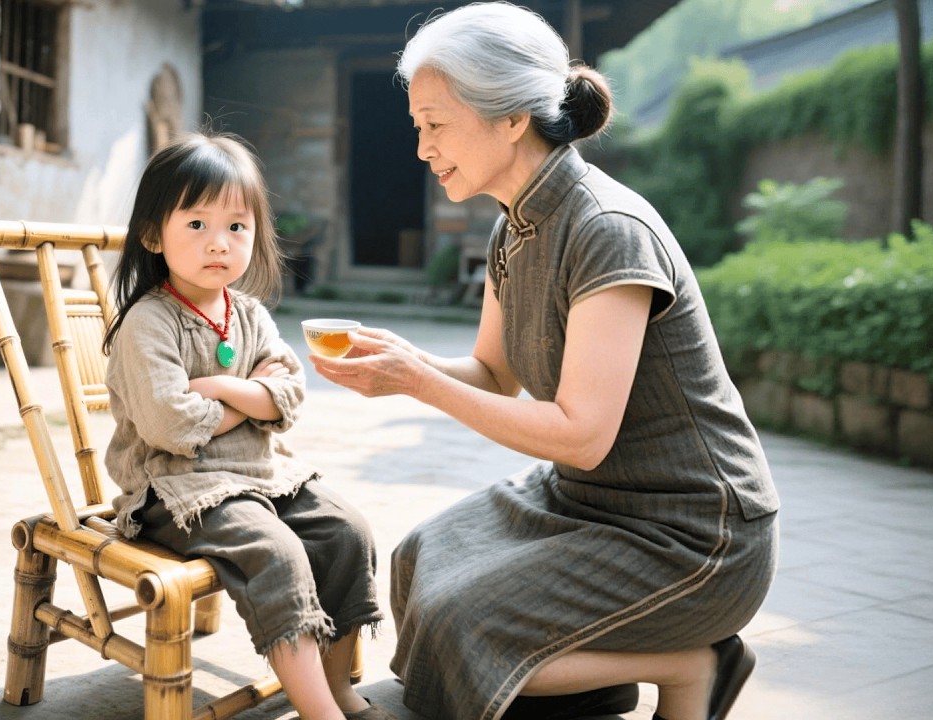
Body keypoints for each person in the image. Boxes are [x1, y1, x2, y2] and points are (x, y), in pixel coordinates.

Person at [308, 4, 780, 720]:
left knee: (468, 624)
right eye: (418, 126)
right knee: (419, 559)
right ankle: (594, 686)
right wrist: (400, 364)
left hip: (694, 535)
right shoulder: (515, 227)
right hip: (590, 502)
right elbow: (495, 374)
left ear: (509, 118)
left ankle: (692, 667)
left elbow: (582, 433)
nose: (421, 148)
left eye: (435, 124)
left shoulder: (607, 230)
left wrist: (421, 382)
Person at [102, 132, 395, 720]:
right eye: (197, 225)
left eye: (237, 227)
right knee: (277, 553)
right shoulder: (147, 324)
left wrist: (218, 390)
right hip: (175, 491)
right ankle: (321, 713)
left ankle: (336, 687)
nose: (219, 243)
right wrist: (253, 398)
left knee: (346, 532)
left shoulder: (249, 313)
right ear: (154, 234)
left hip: (261, 476)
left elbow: (290, 391)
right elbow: (169, 424)